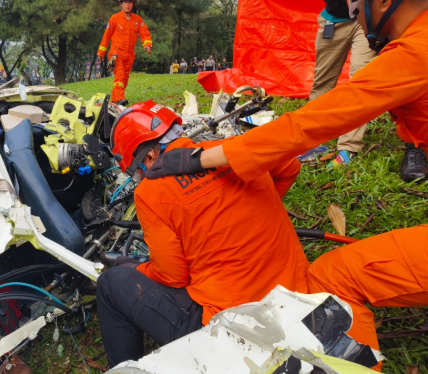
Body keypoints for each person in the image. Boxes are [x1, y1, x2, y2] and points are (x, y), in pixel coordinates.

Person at [146, 1, 428, 371]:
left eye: (356, 3)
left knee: (333, 279)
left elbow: (313, 122)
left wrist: (201, 158)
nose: (352, 12)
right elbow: (288, 167)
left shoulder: (417, 52)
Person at [97, 101, 310, 368]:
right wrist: (248, 212)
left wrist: (137, 269)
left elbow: (173, 276)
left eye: (136, 170)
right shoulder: (227, 151)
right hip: (300, 300)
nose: (139, 177)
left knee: (110, 284)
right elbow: (290, 168)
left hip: (238, 332)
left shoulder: (151, 193)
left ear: (149, 157)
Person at [311, 0, 378, 167]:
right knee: (322, 81)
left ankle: (348, 147)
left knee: (360, 81)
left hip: (369, 21)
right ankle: (310, 137)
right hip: (334, 20)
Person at [97, 0, 152, 106]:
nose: (127, 5)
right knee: (119, 76)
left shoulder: (137, 19)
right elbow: (106, 36)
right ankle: (120, 98)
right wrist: (101, 53)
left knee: (125, 78)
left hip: (129, 55)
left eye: (130, 2)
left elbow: (144, 32)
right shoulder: (114, 18)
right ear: (121, 4)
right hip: (116, 54)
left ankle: (115, 99)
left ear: (133, 4)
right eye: (125, 2)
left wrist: (147, 45)